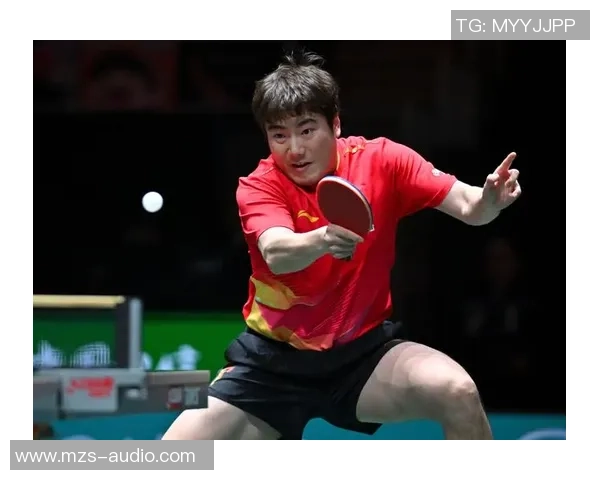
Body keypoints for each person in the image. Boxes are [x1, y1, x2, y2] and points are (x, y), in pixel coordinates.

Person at [162, 51, 522, 440]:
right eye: (279, 135)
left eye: (306, 130)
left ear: (335, 124)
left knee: (457, 391)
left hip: (362, 357)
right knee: (172, 453)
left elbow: (470, 207)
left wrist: (490, 201)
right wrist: (324, 239)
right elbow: (277, 253)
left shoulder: (382, 161)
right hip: (271, 365)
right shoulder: (259, 185)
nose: (294, 149)